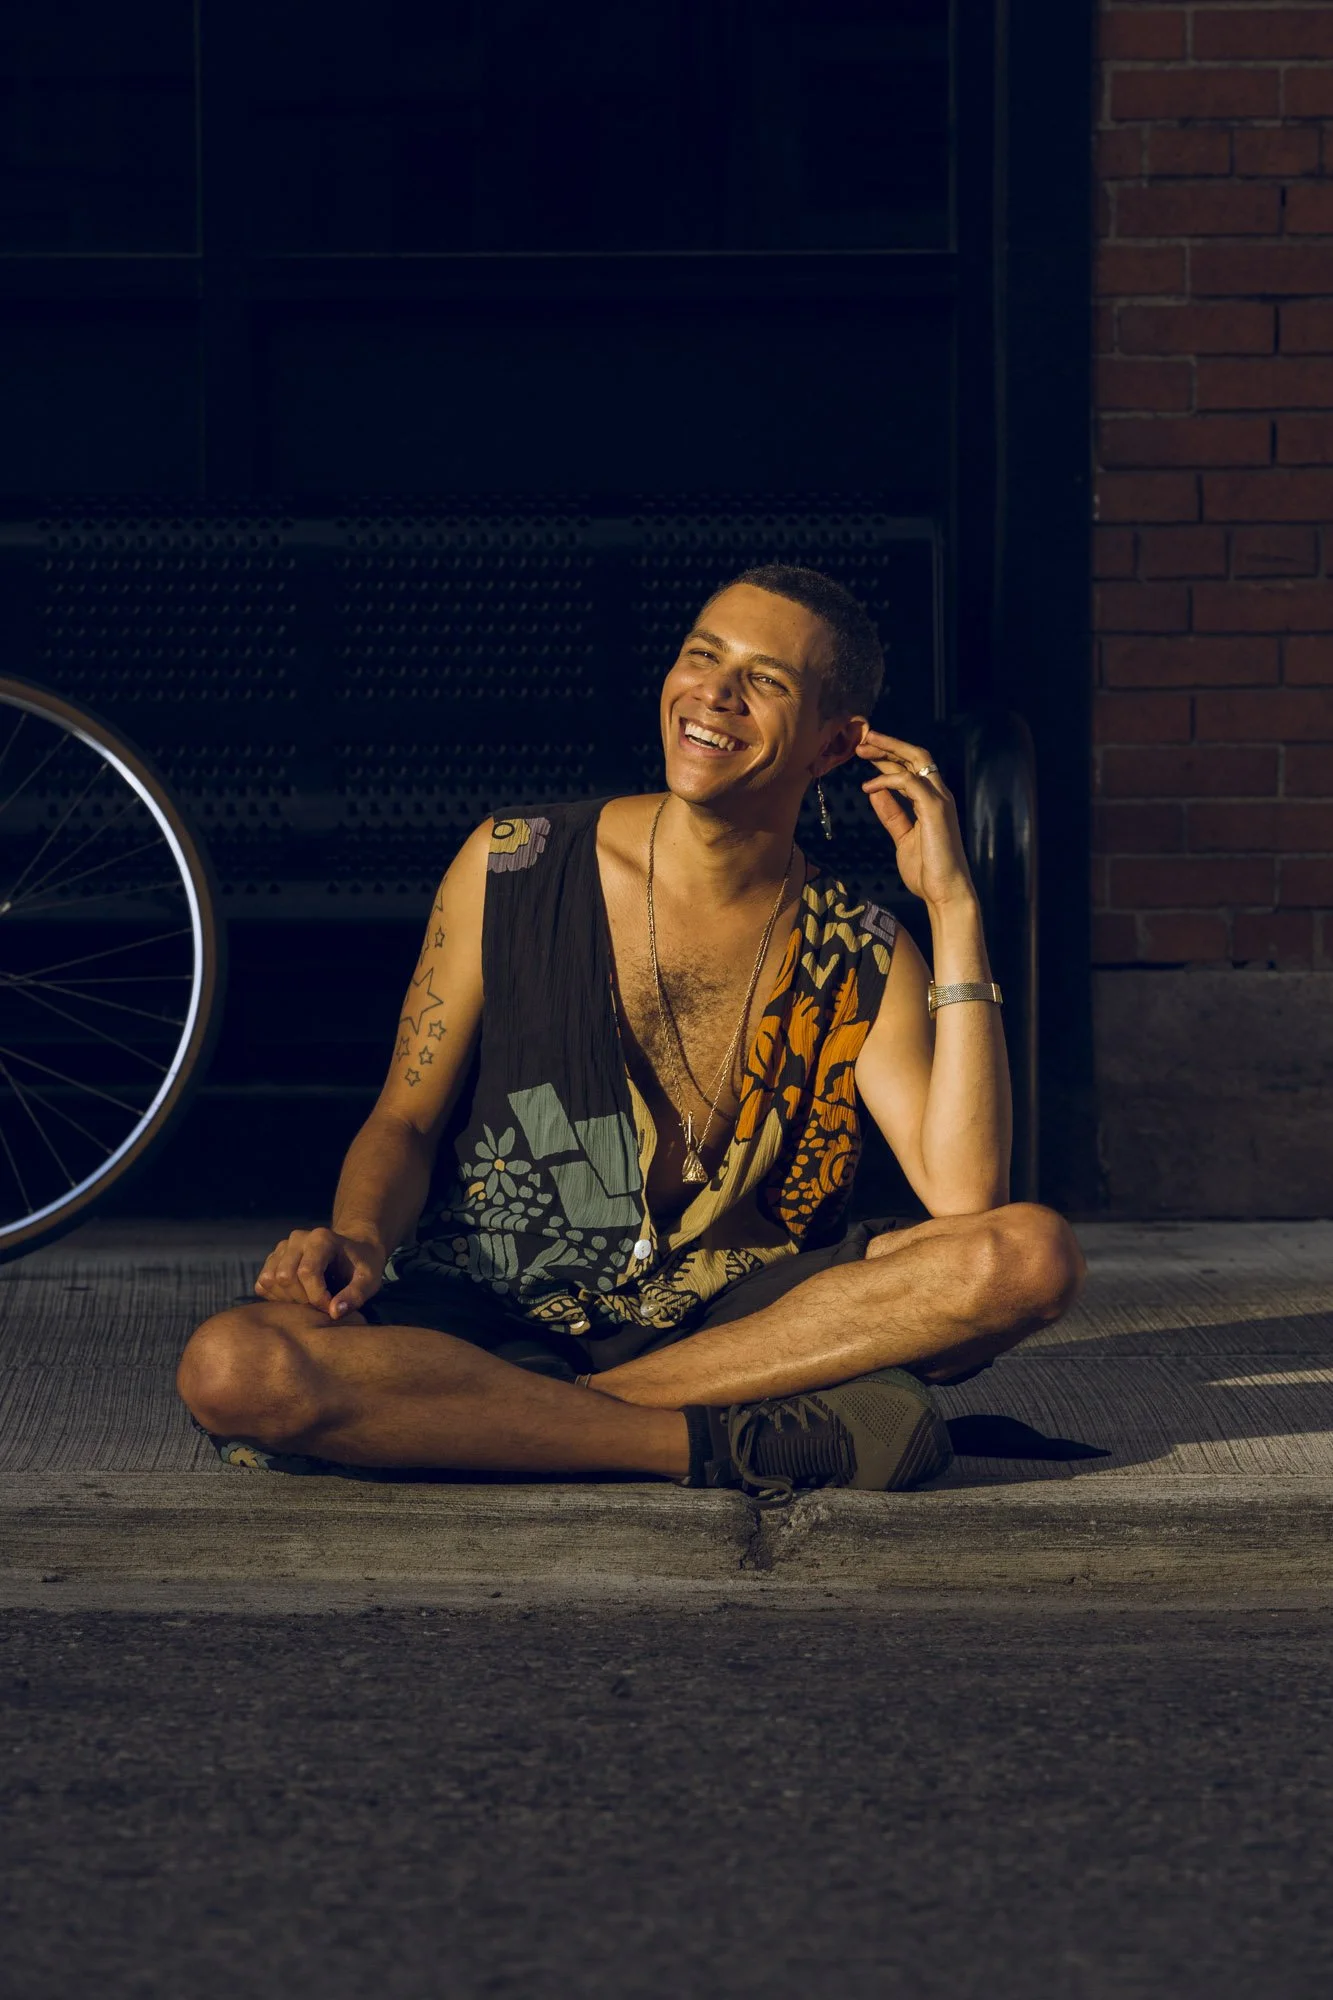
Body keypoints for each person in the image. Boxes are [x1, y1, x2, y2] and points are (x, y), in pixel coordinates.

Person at [178, 565, 1084, 1500]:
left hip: (736, 1325)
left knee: (1027, 1257)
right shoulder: (513, 864)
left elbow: (966, 1199)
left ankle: (507, 1417)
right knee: (231, 1366)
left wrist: (952, 904)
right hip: (491, 1303)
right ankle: (709, 1445)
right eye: (702, 656)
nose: (715, 694)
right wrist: (360, 1239)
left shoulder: (858, 948)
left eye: (765, 680)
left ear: (832, 744)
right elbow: (404, 1120)